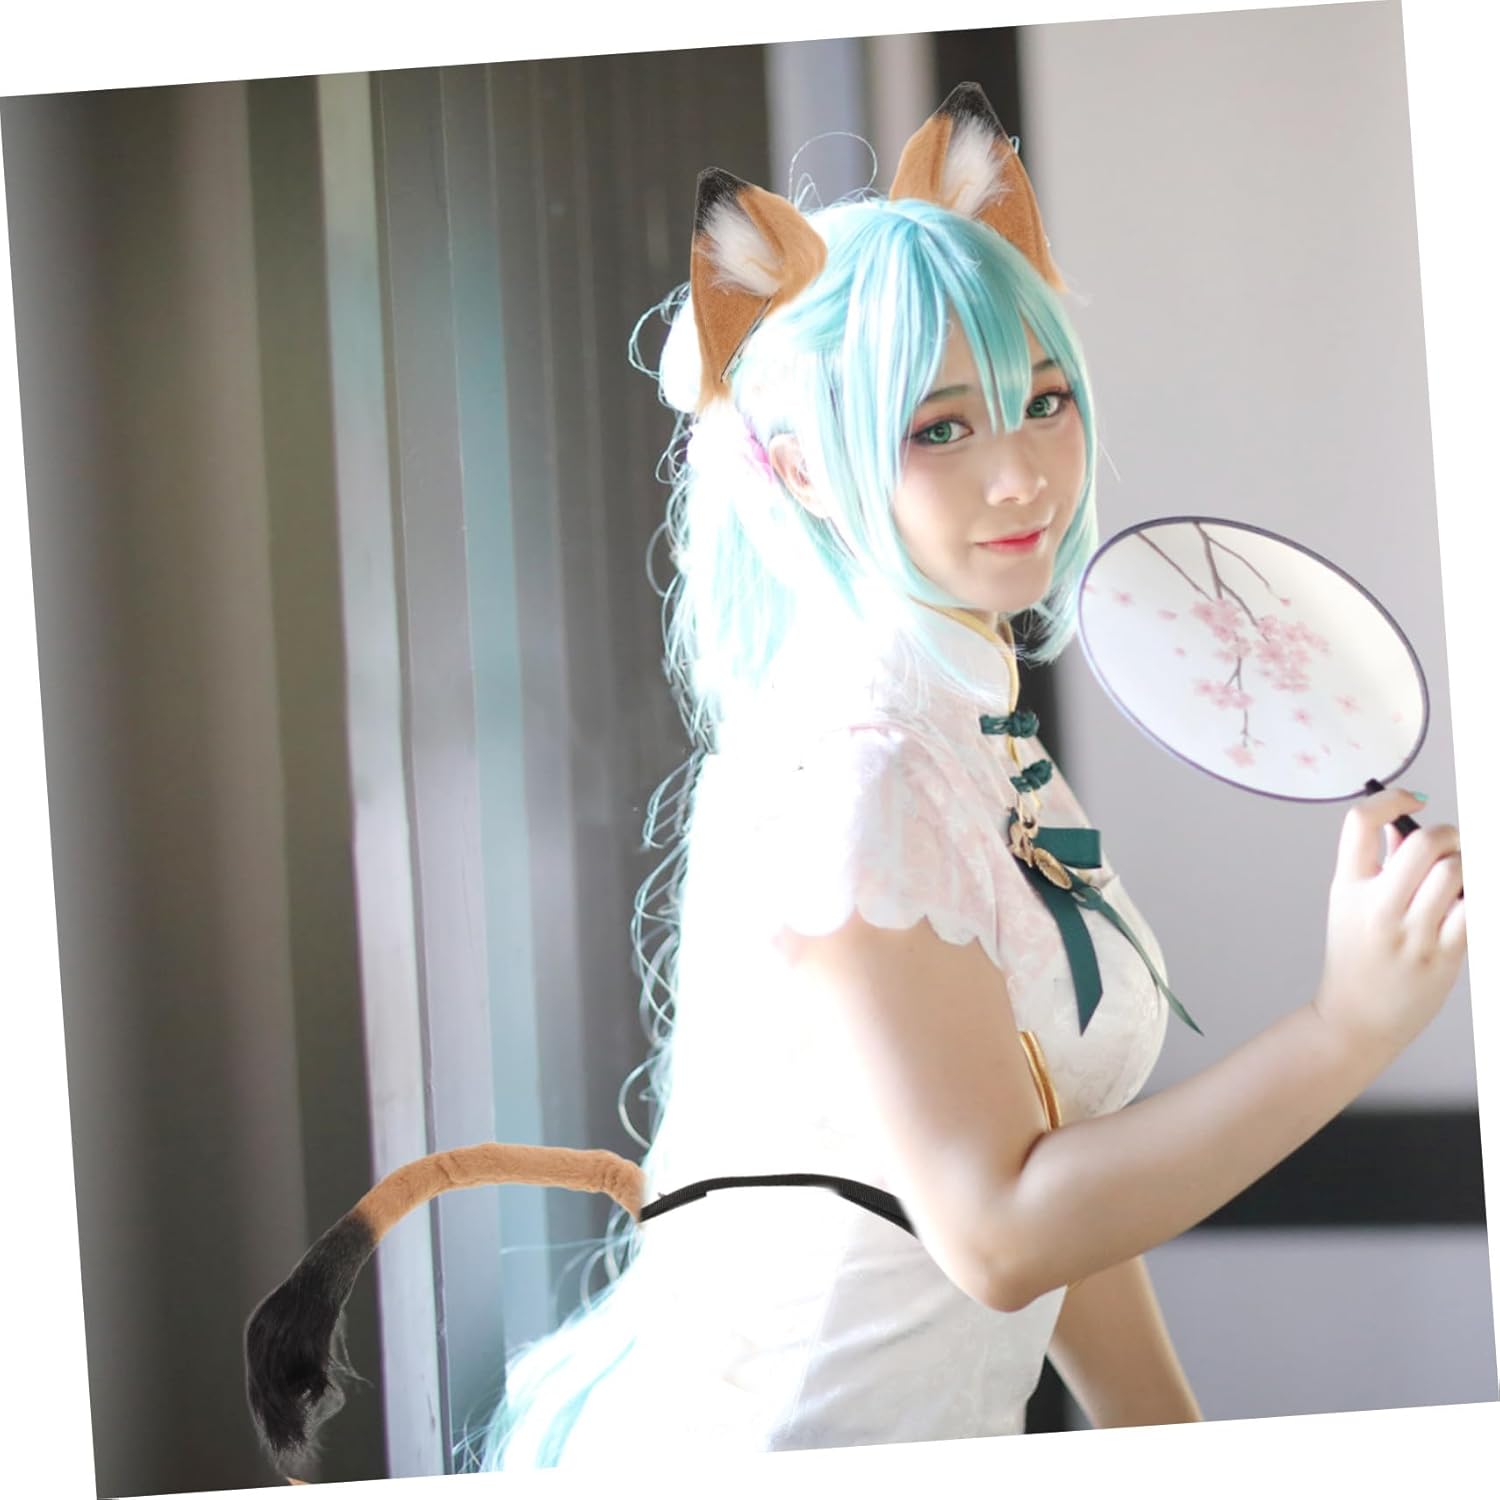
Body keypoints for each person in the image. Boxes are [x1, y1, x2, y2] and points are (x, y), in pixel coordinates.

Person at [243, 83, 1464, 1477]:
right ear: (801, 469)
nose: (1022, 476)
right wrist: (1345, 1031)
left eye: (1043, 402)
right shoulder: (864, 772)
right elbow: (1000, 1234)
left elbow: (1055, 1166)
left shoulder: (967, 729)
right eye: (937, 428)